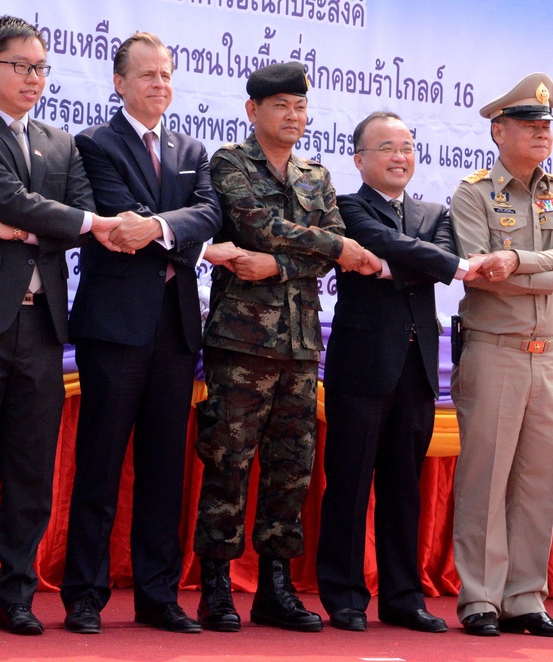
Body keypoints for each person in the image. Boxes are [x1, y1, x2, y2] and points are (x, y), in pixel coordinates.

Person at [0, 15, 128, 637]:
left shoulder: (62, 144)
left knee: (31, 470)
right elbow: (12, 197)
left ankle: (17, 595)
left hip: (41, 326)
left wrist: (16, 229)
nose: (35, 78)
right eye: (21, 66)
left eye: (41, 67)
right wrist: (37, 220)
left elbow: (82, 214)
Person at [59, 32, 235, 636]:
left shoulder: (192, 148)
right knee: (101, 464)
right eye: (147, 75)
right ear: (120, 83)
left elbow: (210, 215)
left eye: (166, 74)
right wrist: (172, 228)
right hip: (115, 327)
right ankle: (84, 594)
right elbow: (111, 212)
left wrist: (157, 225)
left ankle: (159, 595)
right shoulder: (94, 144)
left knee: (165, 469)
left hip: (177, 325)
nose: (160, 84)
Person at [192, 61, 371, 633]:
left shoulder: (316, 175)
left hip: (300, 345)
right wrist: (326, 247)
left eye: (300, 107)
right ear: (253, 111)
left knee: (290, 470)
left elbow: (313, 248)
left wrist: (280, 262)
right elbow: (255, 224)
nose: (293, 117)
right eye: (280, 107)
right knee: (227, 462)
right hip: (239, 342)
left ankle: (275, 587)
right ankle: (215, 586)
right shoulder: (228, 162)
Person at [316, 111, 484, 633]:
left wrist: (391, 265)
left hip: (416, 369)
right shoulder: (345, 207)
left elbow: (437, 255)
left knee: (402, 488)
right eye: (386, 147)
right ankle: (344, 595)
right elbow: (397, 247)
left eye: (407, 146)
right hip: (361, 366)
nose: (399, 156)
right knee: (349, 483)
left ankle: (403, 598)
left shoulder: (433, 211)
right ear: (359, 159)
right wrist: (425, 263)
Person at [449, 72, 553, 638]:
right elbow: (480, 275)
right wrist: (542, 268)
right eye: (529, 124)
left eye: (547, 125)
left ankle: (526, 598)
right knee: (486, 476)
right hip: (495, 350)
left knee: (538, 479)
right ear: (498, 131)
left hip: (551, 353)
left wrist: (517, 262)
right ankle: (480, 598)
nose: (542, 132)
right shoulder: (473, 192)